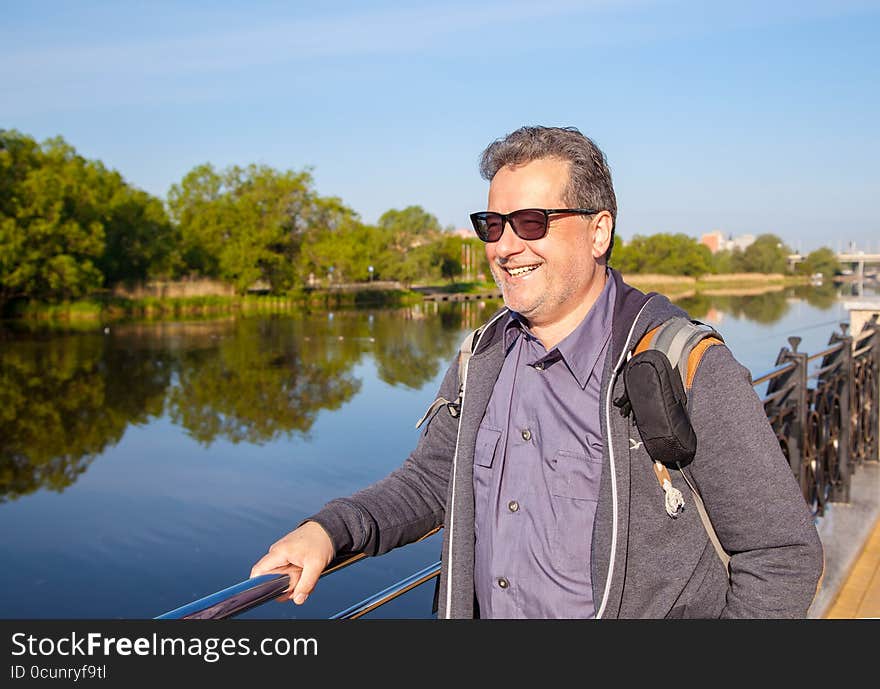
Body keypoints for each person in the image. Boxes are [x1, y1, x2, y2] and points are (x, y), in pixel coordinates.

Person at [250, 125, 824, 618]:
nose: (504, 245)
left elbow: (781, 554)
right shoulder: (482, 360)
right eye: (492, 224)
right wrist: (328, 531)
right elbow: (431, 483)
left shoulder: (682, 363)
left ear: (599, 231)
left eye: (530, 222)